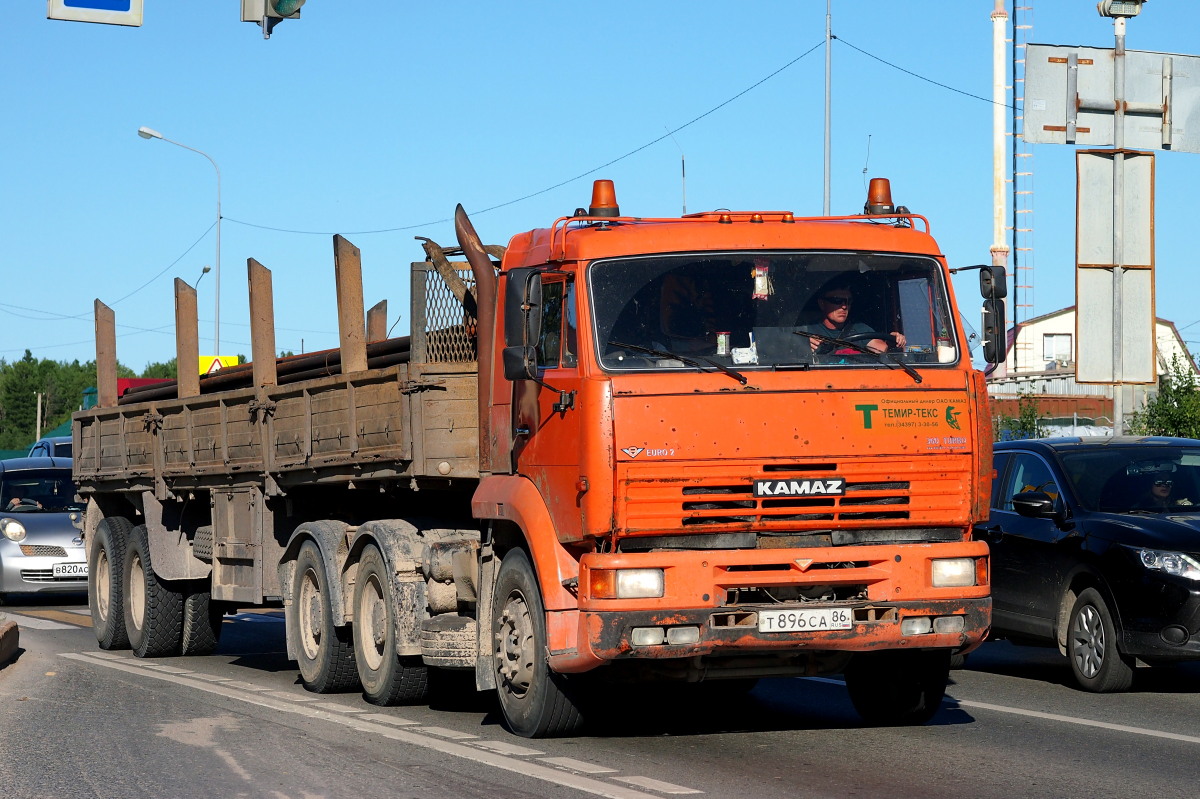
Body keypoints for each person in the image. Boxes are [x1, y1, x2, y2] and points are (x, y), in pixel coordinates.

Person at [799, 285, 905, 354]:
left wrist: (894, 343)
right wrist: (802, 347)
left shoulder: (859, 328)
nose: (844, 306)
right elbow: (787, 351)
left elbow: (883, 350)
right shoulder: (806, 330)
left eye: (848, 301)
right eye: (837, 300)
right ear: (822, 303)